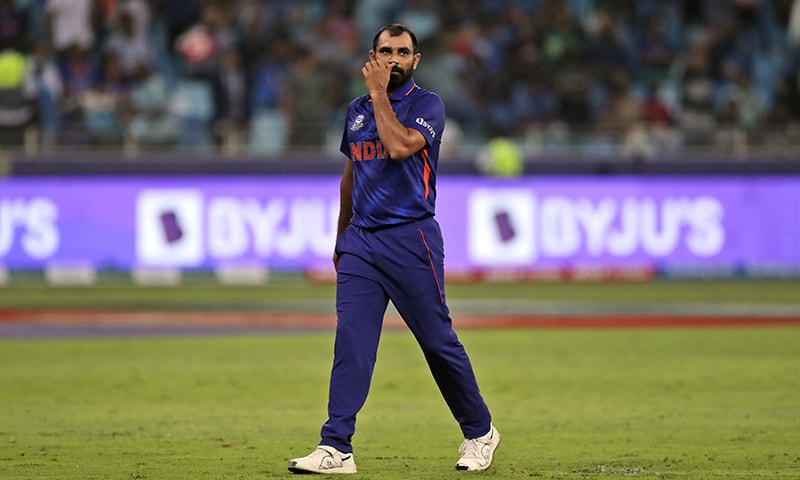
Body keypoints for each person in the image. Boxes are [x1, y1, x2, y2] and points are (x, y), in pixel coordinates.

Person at [287, 23, 500, 475]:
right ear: (372, 55)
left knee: (437, 342)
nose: (394, 59)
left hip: (411, 237)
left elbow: (401, 146)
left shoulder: (428, 105)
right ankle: (336, 446)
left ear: (415, 61)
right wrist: (342, 236)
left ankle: (480, 432)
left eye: (403, 52)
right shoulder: (357, 110)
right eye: (386, 51)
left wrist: (379, 95)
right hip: (362, 242)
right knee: (352, 342)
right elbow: (352, 174)